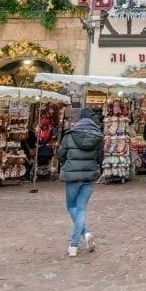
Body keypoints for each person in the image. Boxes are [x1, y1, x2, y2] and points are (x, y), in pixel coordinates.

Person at [58, 108, 104, 257]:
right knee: (81, 209)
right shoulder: (98, 137)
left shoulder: (69, 135)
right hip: (89, 176)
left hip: (72, 176)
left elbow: (61, 154)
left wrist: (68, 165)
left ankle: (74, 243)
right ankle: (84, 236)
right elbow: (100, 159)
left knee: (71, 206)